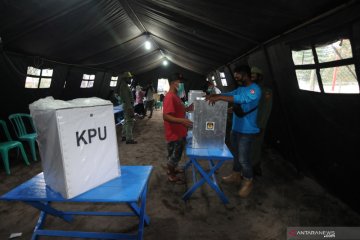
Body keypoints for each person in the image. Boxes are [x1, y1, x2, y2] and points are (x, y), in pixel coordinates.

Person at [205, 65, 261, 198]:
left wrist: (219, 98)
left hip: (247, 130)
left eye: (238, 77)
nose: (237, 80)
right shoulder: (241, 88)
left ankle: (248, 181)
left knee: (243, 159)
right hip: (236, 128)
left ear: (246, 74)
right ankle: (236, 175)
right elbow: (231, 94)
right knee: (236, 154)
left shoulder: (255, 90)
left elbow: (240, 99)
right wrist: (216, 95)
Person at [163, 73, 193, 184]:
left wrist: (187, 109)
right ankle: (171, 174)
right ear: (173, 83)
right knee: (174, 156)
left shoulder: (175, 96)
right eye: (180, 82)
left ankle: (173, 169)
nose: (182, 84)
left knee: (175, 154)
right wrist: (182, 121)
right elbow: (166, 116)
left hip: (179, 132)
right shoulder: (170, 97)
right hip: (174, 133)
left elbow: (178, 110)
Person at [250, 67, 273, 176]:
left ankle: (255, 167)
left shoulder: (266, 91)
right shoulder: (249, 90)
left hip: (258, 124)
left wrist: (261, 125)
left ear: (260, 77)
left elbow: (266, 110)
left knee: (256, 146)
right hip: (247, 123)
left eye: (254, 76)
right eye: (251, 76)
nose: (252, 78)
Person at [118, 71, 137, 144]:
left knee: (126, 121)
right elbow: (127, 99)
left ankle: (124, 136)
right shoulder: (124, 87)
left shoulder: (124, 85)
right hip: (128, 106)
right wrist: (130, 109)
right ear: (125, 79)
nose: (130, 80)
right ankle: (129, 139)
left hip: (126, 105)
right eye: (129, 78)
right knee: (130, 122)